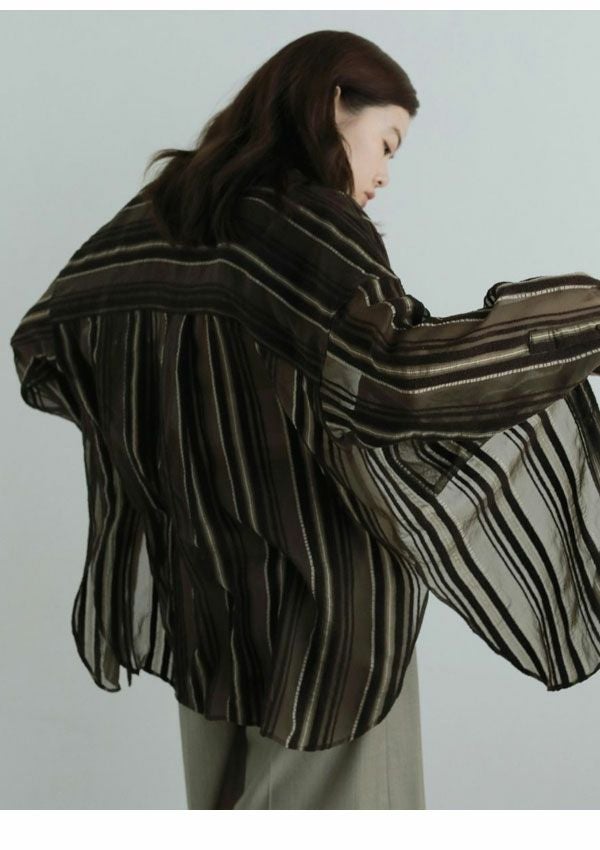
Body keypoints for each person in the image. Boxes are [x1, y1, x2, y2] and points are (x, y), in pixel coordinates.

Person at [10, 29, 600, 810]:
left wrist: (167, 446)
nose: (383, 175)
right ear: (333, 104)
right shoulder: (311, 224)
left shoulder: (150, 223)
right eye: (386, 143)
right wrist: (576, 325)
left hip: (206, 607)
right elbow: (396, 384)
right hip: (328, 622)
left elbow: (47, 342)